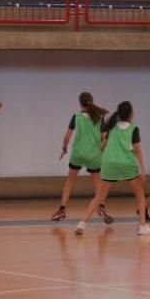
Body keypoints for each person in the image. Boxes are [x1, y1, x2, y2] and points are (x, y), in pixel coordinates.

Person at [74, 101, 150, 236]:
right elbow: (137, 150)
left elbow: (101, 147)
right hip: (127, 164)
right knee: (140, 194)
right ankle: (142, 226)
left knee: (99, 196)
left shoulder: (110, 128)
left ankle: (82, 223)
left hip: (109, 164)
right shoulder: (133, 128)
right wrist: (142, 170)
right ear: (131, 113)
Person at [52, 92, 112, 224]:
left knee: (70, 181)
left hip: (78, 154)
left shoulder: (76, 117)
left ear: (80, 103)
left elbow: (67, 136)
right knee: (98, 184)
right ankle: (101, 207)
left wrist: (64, 149)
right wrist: (101, 151)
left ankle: (62, 209)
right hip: (94, 155)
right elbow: (105, 139)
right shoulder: (99, 117)